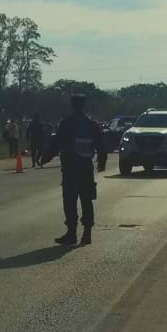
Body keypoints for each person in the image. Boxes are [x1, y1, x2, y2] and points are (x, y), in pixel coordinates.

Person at [42, 94, 108, 246]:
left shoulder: (66, 123)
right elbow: (100, 143)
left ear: (72, 105)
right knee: (86, 199)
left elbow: (57, 143)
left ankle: (72, 233)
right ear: (83, 105)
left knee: (70, 200)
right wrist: (102, 160)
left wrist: (47, 157)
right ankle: (87, 233)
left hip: (70, 167)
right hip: (86, 166)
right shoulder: (91, 123)